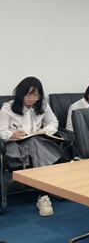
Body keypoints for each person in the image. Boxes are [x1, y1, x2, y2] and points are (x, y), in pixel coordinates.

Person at [0, 77, 64, 217]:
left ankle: (44, 194)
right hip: (14, 145)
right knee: (37, 143)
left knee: (35, 141)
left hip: (36, 142)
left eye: (36, 95)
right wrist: (12, 134)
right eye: (28, 95)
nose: (32, 99)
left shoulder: (42, 105)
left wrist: (45, 130)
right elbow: (1, 132)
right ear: (20, 94)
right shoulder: (8, 108)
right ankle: (45, 195)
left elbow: (54, 122)